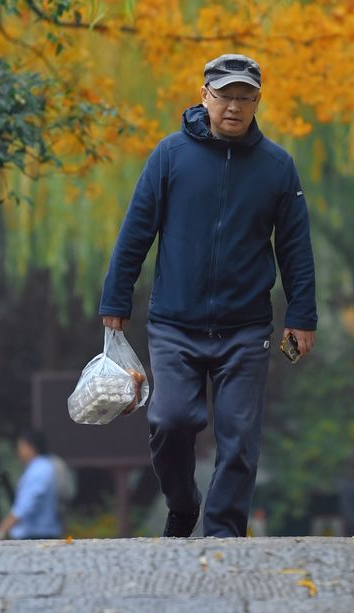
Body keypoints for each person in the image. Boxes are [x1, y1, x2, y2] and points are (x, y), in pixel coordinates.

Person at [99, 53, 317, 539]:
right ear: (204, 96)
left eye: (245, 97)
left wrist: (302, 314)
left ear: (258, 101)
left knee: (239, 440)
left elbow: (295, 248)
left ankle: (223, 535)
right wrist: (116, 302)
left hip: (246, 328)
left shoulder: (277, 167)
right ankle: (182, 503)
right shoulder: (170, 156)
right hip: (175, 323)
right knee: (171, 420)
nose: (234, 107)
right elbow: (136, 232)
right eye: (225, 96)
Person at [0, 427, 63, 540]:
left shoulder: (38, 470)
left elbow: (24, 506)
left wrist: (0, 531)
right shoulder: (45, 466)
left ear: (31, 447)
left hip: (36, 534)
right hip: (43, 531)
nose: (18, 452)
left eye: (20, 446)